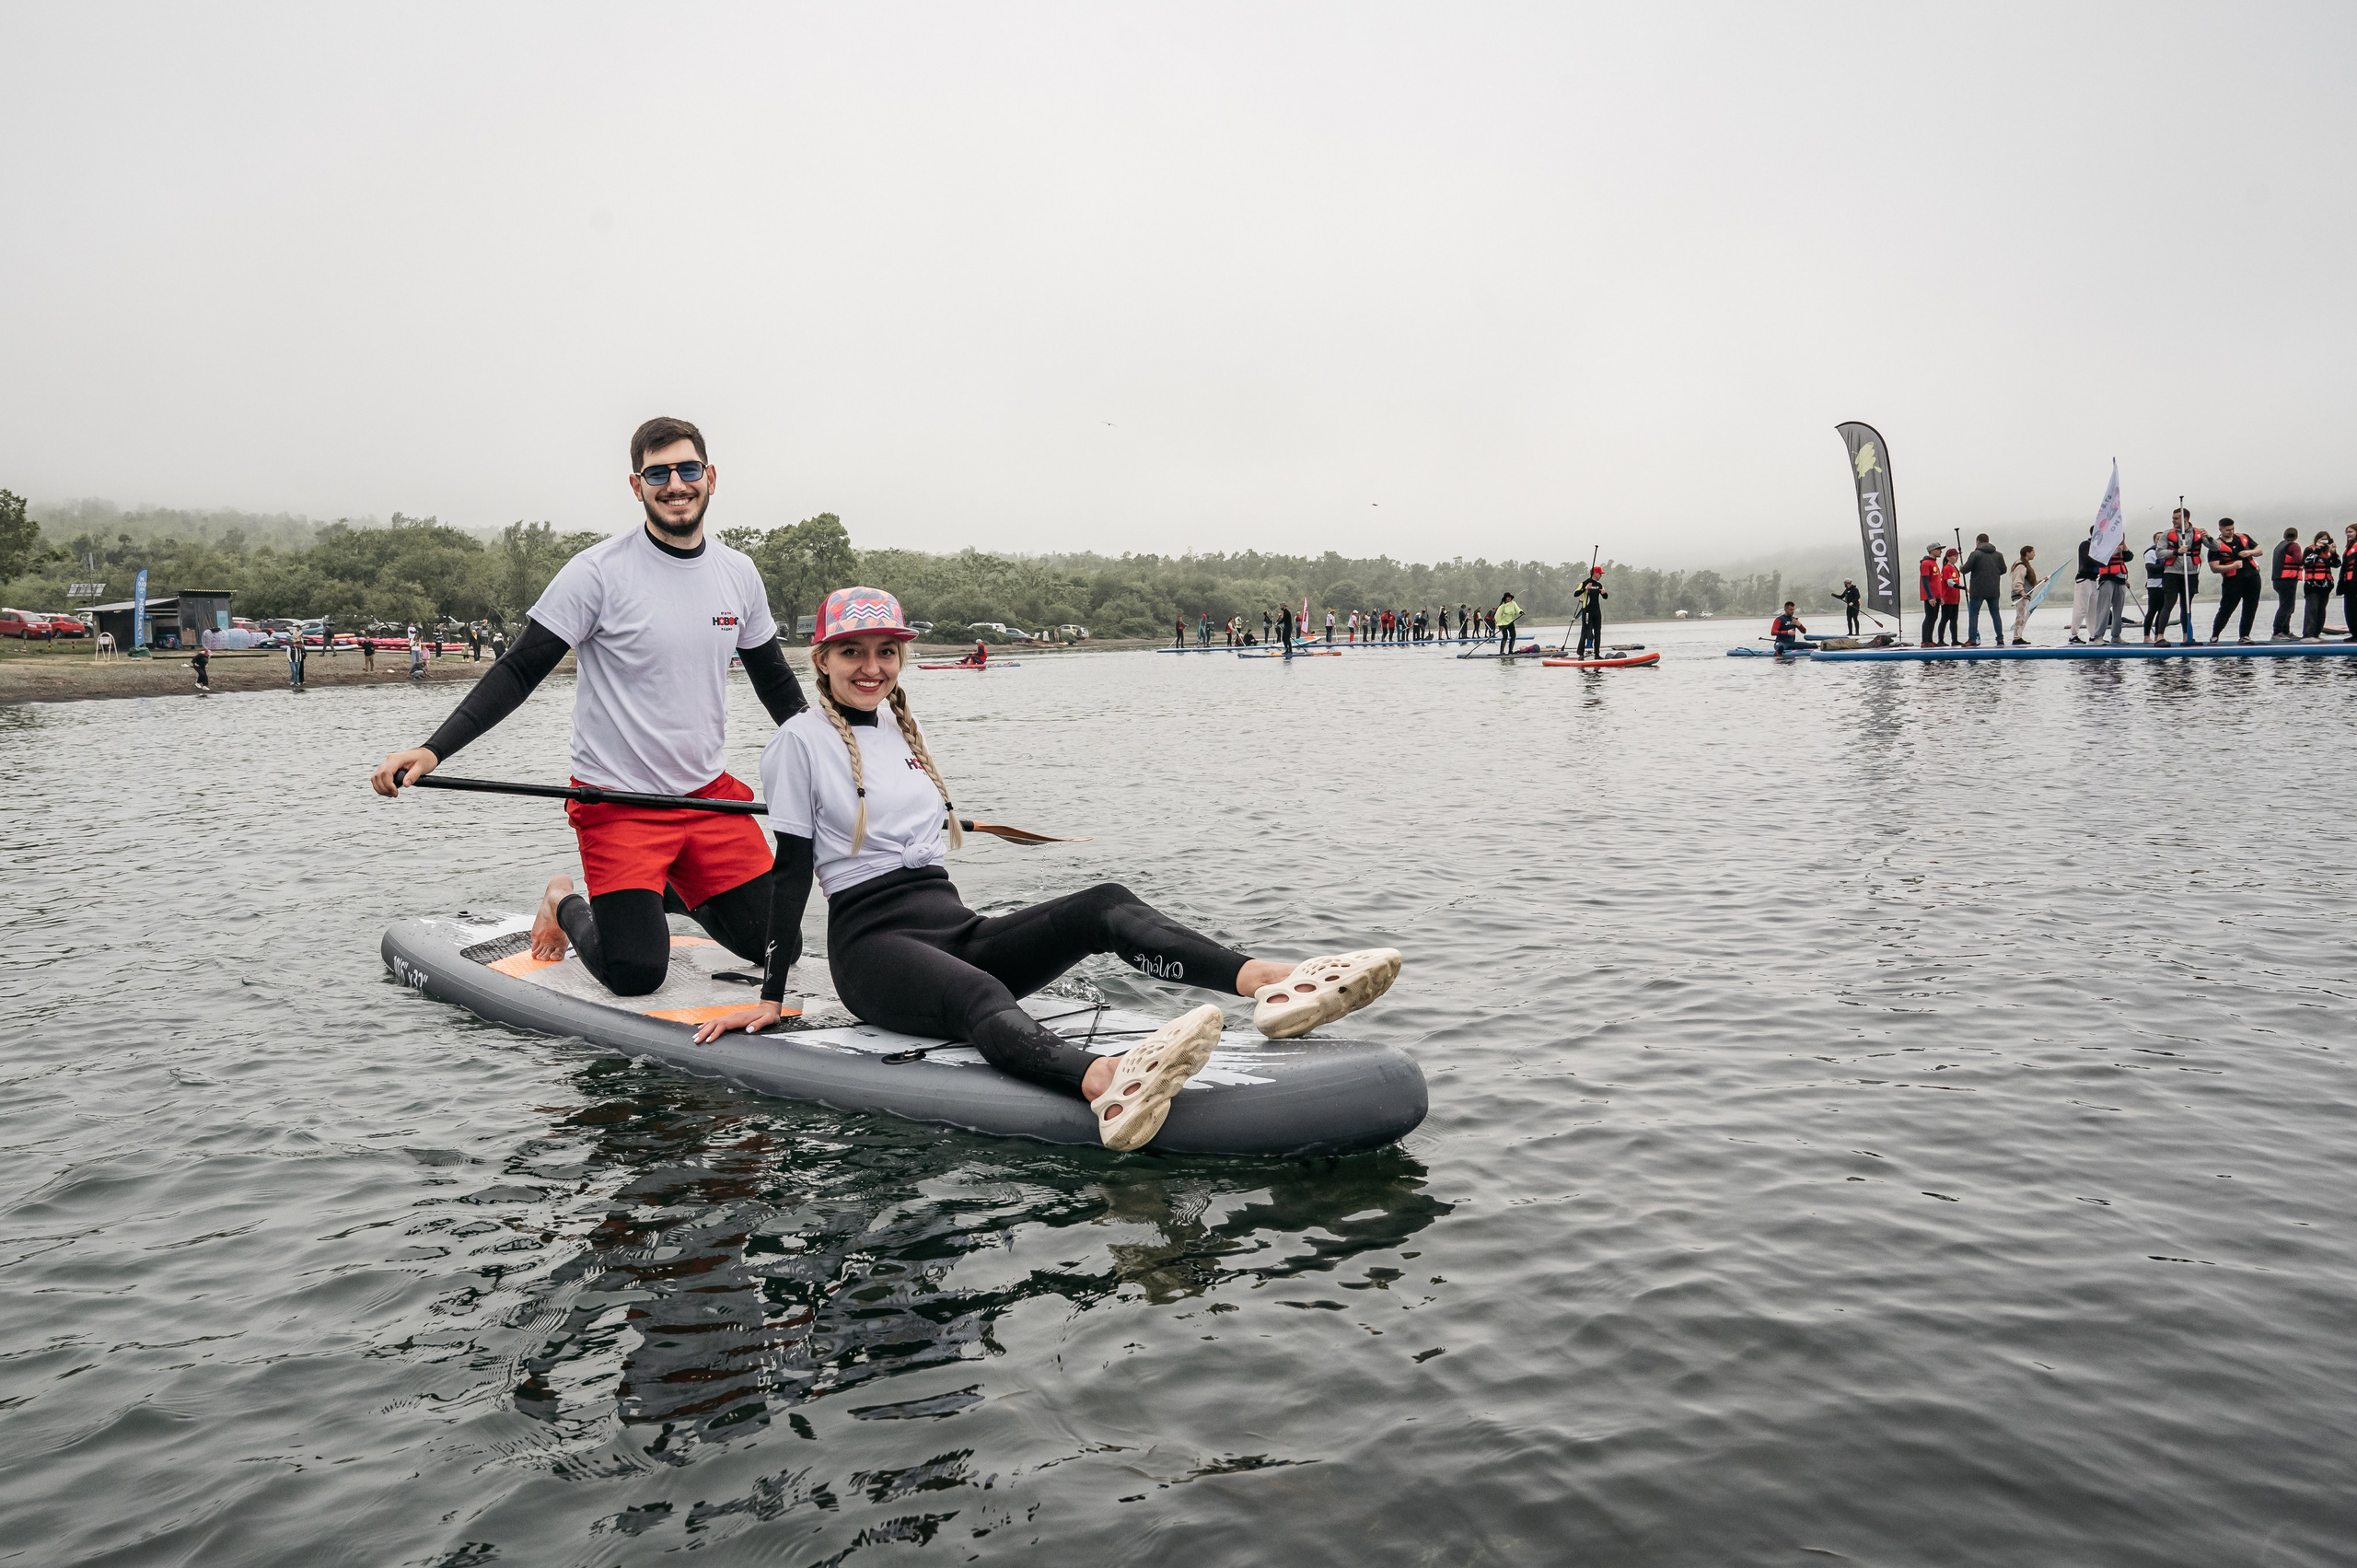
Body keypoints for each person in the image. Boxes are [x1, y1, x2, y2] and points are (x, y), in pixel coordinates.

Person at [690, 587, 1405, 1151]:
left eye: (885, 650)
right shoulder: (798, 743)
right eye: (853, 651)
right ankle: (1107, 1084)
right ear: (822, 658)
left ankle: (1275, 984)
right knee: (977, 995)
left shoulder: (901, 729)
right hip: (872, 949)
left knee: (1103, 903)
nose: (871, 665)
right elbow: (790, 874)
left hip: (951, 923)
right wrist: (772, 994)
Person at [370, 415, 808, 998]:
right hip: (617, 802)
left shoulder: (739, 574)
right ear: (637, 486)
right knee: (635, 975)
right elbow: (520, 668)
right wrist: (433, 748)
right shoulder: (597, 572)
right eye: (658, 473)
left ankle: (648, 896)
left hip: (707, 798)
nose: (674, 484)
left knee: (779, 945)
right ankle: (565, 899)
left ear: (710, 476)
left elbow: (775, 681)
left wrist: (836, 758)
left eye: (686, 469)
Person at [2208, 519, 2261, 643]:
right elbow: (2214, 568)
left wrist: (2250, 552)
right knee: (2227, 608)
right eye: (2228, 530)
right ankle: (2215, 635)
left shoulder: (2243, 537)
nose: (2231, 532)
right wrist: (2232, 566)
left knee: (2250, 607)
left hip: (2252, 577)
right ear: (2220, 529)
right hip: (2232, 581)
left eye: (2232, 529)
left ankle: (2244, 636)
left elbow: (2260, 550)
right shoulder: (2216, 546)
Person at [1962, 534, 2004, 646]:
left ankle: (1972, 640)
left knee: (1974, 614)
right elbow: (2003, 570)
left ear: (1978, 542)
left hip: (1977, 590)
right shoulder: (1998, 555)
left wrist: (1961, 567)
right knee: (1995, 614)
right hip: (1994, 590)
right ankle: (2000, 639)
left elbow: (1965, 570)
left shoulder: (1975, 554)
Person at [2301, 530, 2340, 641]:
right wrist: (2317, 550)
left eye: (2326, 539)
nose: (2323, 542)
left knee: (2321, 610)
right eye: (2321, 539)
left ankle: (2317, 634)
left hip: (2325, 585)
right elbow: (2307, 562)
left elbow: (2337, 564)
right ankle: (2308, 635)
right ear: (2316, 540)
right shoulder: (2309, 550)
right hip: (2312, 585)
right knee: (2312, 609)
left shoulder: (2328, 552)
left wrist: (2333, 552)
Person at [2092, 540, 2131, 644]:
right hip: (2107, 579)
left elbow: (2129, 557)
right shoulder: (2101, 545)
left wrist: (2124, 545)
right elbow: (2098, 562)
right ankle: (2098, 637)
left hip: (2121, 579)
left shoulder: (2120, 546)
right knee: (2104, 608)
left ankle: (2116, 637)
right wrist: (2114, 552)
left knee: (2118, 610)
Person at [2270, 526, 2305, 639]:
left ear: (2284, 536)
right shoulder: (2294, 546)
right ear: (2296, 536)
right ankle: (2277, 632)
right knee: (2287, 607)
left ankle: (2285, 632)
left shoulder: (2279, 547)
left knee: (2286, 605)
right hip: (2288, 580)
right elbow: (2299, 560)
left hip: (2277, 580)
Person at [2069, 531, 2100, 644]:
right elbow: (2088, 560)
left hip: (2093, 581)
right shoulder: (2085, 545)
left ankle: (2093, 635)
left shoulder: (2100, 546)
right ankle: (2073, 635)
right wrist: (2102, 562)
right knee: (2081, 608)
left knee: (2093, 610)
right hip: (2083, 580)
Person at [2141, 530, 2172, 643]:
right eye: (2158, 538)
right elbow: (2150, 568)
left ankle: (2159, 636)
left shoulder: (2168, 553)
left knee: (2163, 610)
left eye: (2162, 538)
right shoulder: (2151, 552)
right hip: (2154, 585)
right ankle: (2146, 637)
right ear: (2154, 541)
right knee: (2152, 610)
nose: (2160, 540)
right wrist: (2166, 566)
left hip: (2166, 584)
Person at [2007, 546, 2039, 645]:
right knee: (2021, 616)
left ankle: (2019, 637)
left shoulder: (2025, 565)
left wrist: (2041, 581)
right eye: (2033, 552)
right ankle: (2016, 638)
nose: (2034, 554)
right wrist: (2021, 592)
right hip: (2020, 595)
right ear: (2027, 553)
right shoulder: (2021, 565)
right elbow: (2017, 581)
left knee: (2024, 616)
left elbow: (2028, 582)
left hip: (2024, 594)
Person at [1573, 566, 1608, 657]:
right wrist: (1585, 588)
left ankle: (1597, 654)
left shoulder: (1599, 585)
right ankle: (1581, 654)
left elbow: (1605, 597)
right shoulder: (1585, 583)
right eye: (1600, 573)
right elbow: (1575, 594)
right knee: (1585, 632)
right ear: (1595, 573)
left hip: (1597, 612)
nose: (1601, 575)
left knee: (1597, 632)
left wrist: (1604, 593)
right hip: (1587, 611)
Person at [1917, 542, 1942, 646]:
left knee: (1934, 617)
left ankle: (1930, 640)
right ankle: (1924, 641)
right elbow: (1925, 581)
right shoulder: (1926, 563)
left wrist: (1940, 596)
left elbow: (1936, 581)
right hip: (1930, 596)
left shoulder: (1934, 563)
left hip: (1936, 595)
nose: (1941, 551)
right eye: (1938, 549)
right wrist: (1930, 596)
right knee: (1929, 617)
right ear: (1932, 551)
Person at [1936, 548, 1962, 645]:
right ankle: (1940, 640)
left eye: (1957, 556)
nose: (1956, 557)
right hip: (1947, 598)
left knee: (1954, 620)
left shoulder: (1955, 568)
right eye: (1954, 556)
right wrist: (1964, 588)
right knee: (1945, 619)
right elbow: (1950, 582)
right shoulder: (1947, 568)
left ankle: (1954, 640)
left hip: (1956, 598)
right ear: (1948, 557)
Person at [2340, 524, 2357, 642]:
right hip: (2348, 583)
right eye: (2347, 532)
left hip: (2355, 583)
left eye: (2350, 532)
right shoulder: (2349, 548)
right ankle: (2354, 633)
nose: (2348, 534)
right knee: (2349, 609)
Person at [1495, 592, 1523, 656]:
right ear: (1505, 598)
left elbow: (1517, 609)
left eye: (1510, 597)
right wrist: (1499, 624)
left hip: (1510, 622)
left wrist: (1520, 611)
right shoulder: (1502, 607)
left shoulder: (1513, 603)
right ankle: (1501, 651)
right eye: (1508, 597)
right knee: (1505, 636)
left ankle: (1510, 650)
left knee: (1513, 636)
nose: (1509, 598)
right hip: (1503, 624)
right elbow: (1497, 616)